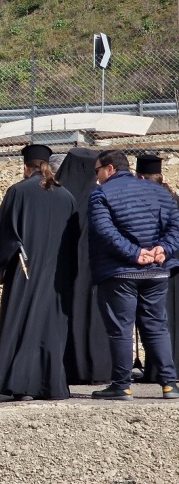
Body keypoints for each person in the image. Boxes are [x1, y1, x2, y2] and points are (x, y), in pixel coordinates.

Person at [88, 149, 179, 400]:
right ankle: (169, 384)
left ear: (109, 169)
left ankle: (121, 385)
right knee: (157, 327)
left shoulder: (101, 194)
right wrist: (164, 249)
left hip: (119, 273)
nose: (96, 177)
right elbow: (176, 225)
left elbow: (105, 231)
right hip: (156, 272)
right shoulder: (159, 192)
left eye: (97, 171)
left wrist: (134, 254)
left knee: (120, 329)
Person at [0, 144, 78, 401]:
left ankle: (22, 385)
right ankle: (51, 386)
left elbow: (3, 232)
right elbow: (76, 238)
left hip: (24, 270)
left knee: (23, 322)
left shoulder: (18, 191)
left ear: (25, 168)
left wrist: (4, 261)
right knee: (50, 327)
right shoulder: (67, 196)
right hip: (57, 275)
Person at [54, 148, 111, 385]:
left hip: (62, 269)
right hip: (96, 266)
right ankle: (98, 369)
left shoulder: (58, 195)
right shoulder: (101, 195)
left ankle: (66, 368)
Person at [135, 154, 179, 383]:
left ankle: (157, 370)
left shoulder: (143, 201)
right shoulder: (173, 198)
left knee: (155, 322)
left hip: (155, 267)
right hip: (172, 263)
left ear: (140, 177)